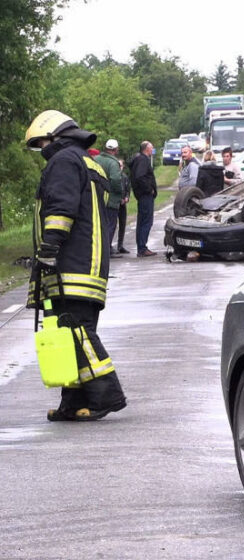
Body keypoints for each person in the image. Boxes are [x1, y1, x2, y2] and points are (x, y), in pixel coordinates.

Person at [23, 109, 127, 422]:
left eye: (42, 143)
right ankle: (73, 401)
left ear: (54, 135)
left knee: (77, 331)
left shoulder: (64, 161)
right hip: (89, 261)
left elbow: (61, 207)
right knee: (70, 332)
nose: (42, 150)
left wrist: (49, 246)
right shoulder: (88, 161)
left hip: (72, 263)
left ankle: (106, 396)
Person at [93, 139, 124, 256]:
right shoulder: (113, 163)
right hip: (111, 199)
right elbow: (116, 179)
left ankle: (100, 248)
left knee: (99, 225)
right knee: (110, 224)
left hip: (97, 197)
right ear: (116, 150)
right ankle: (107, 250)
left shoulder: (96, 159)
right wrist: (119, 192)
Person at [129, 141, 158, 257]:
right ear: (146, 149)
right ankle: (142, 247)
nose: (152, 150)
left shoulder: (139, 159)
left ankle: (141, 246)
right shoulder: (143, 160)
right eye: (151, 148)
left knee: (142, 221)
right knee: (146, 221)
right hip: (145, 195)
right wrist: (149, 189)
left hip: (141, 195)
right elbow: (140, 176)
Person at [115, 159, 131, 254]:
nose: (119, 168)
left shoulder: (125, 177)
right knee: (112, 225)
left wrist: (126, 198)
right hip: (115, 204)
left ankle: (120, 245)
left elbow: (128, 189)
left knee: (122, 224)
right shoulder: (113, 176)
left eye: (120, 166)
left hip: (123, 205)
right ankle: (109, 246)